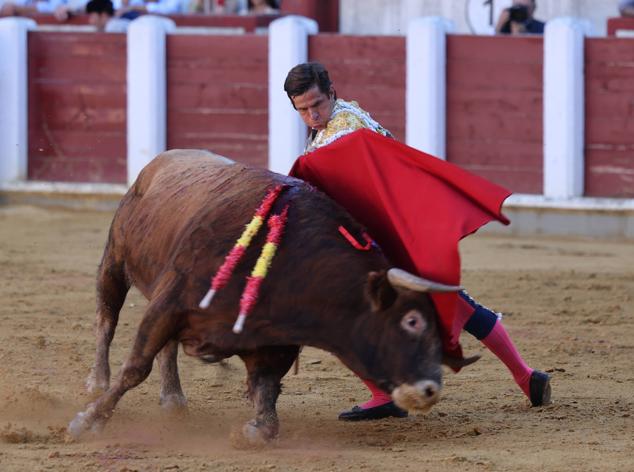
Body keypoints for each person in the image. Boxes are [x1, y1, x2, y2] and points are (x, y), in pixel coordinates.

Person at [284, 62, 551, 421]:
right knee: (457, 304)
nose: (312, 114)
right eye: (303, 109)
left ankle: (383, 394)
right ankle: (526, 376)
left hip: (381, 247)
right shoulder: (344, 118)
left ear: (332, 93)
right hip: (389, 237)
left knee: (334, 318)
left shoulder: (346, 132)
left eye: (317, 104)